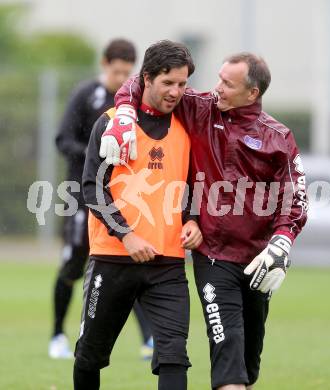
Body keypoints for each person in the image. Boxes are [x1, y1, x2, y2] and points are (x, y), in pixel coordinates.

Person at [101, 52, 308, 389]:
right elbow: (142, 82)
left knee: (246, 363)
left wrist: (282, 239)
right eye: (219, 78)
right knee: (227, 352)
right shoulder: (200, 107)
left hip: (257, 258)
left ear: (252, 93)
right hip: (212, 255)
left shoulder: (277, 137)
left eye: (228, 83)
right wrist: (124, 111)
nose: (217, 88)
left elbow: (295, 197)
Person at [74, 40, 202, 390]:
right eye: (168, 83)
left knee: (174, 356)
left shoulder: (186, 128)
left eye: (182, 84)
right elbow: (92, 189)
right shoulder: (112, 123)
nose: (176, 92)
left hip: (168, 263)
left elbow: (193, 186)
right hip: (111, 259)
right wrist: (126, 234)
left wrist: (192, 220)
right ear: (146, 79)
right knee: (89, 355)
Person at [51, 38, 153, 360]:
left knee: (130, 256)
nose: (122, 78)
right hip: (82, 194)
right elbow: (63, 139)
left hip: (123, 198)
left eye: (128, 72)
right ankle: (57, 335)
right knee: (74, 260)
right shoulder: (87, 94)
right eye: (117, 70)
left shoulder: (134, 102)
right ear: (104, 63)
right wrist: (97, 152)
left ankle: (148, 338)